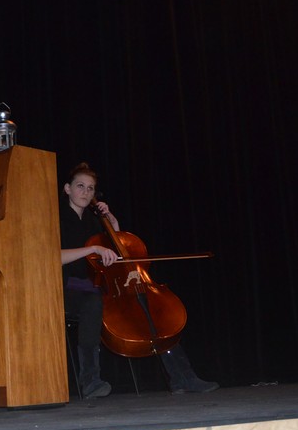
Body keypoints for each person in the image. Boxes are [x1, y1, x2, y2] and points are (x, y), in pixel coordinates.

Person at [60, 162, 219, 398]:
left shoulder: (95, 221)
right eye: (80, 186)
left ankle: (183, 377)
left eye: (90, 188)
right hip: (71, 289)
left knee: (148, 308)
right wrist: (92, 248)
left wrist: (111, 221)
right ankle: (90, 381)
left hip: (103, 287)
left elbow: (120, 248)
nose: (86, 192)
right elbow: (55, 256)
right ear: (67, 189)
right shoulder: (58, 219)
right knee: (92, 304)